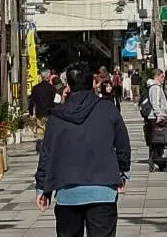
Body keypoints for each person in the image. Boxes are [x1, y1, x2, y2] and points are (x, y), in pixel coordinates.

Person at [35, 63, 132, 237]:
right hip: (103, 191)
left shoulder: (57, 116)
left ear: (68, 86)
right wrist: (122, 173)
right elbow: (123, 146)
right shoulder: (108, 109)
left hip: (67, 193)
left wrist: (43, 188)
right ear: (93, 83)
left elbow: (47, 154)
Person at [139, 68, 167, 148]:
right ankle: (155, 157)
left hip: (153, 116)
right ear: (156, 77)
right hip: (154, 116)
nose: (163, 79)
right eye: (162, 77)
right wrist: (159, 114)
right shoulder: (155, 87)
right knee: (157, 138)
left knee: (155, 138)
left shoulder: (154, 86)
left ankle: (154, 156)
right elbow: (155, 102)